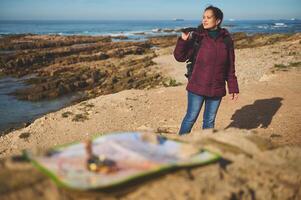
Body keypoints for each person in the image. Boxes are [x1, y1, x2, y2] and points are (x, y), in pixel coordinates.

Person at [174, 5, 239, 135]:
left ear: (218, 20)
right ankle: (179, 145)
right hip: (197, 87)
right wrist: (183, 41)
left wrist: (233, 87)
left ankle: (206, 147)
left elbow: (230, 66)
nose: (204, 20)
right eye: (203, 17)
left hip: (217, 88)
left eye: (208, 17)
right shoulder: (198, 37)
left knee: (209, 121)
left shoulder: (226, 40)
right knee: (190, 118)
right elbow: (180, 57)